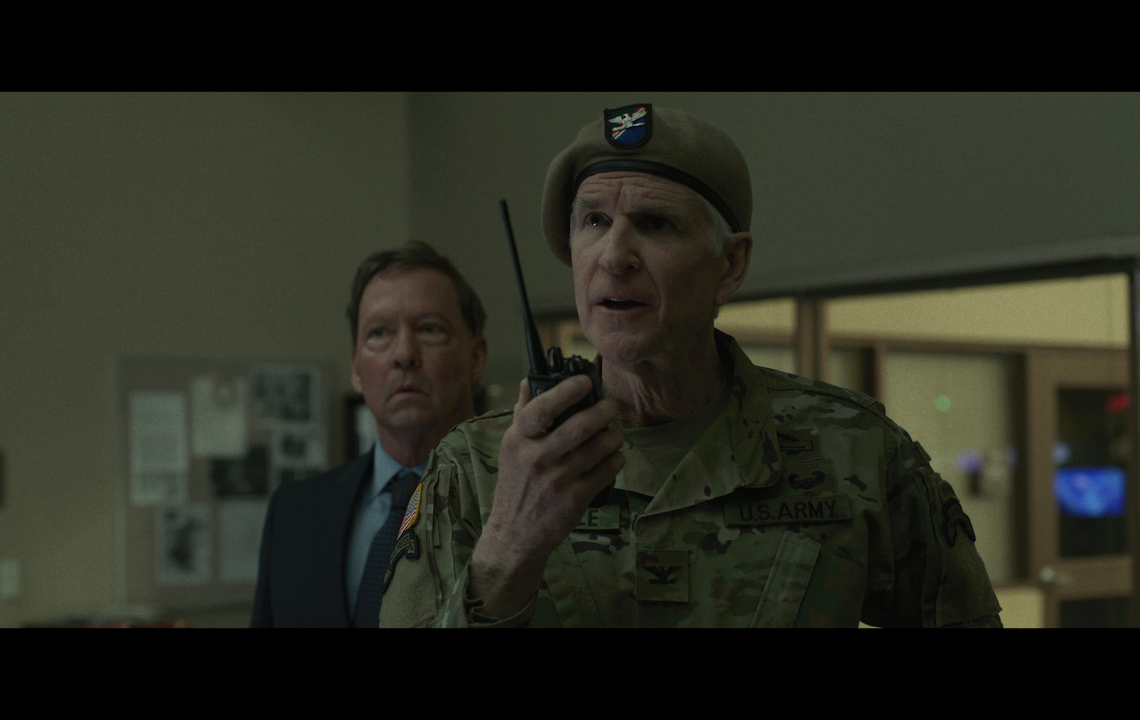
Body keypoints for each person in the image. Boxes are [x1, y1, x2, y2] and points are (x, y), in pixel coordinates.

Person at [379, 104, 1002, 628]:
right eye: (594, 221)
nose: (614, 255)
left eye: (655, 223)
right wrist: (508, 549)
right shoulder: (478, 468)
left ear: (729, 265)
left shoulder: (854, 453)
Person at [251, 241, 488, 627]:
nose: (404, 354)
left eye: (430, 329)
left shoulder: (520, 501)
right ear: (356, 369)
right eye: (379, 333)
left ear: (475, 358)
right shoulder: (294, 514)